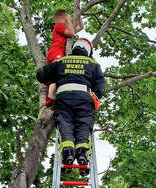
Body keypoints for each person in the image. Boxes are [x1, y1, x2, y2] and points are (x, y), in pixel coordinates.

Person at [37, 38, 105, 176]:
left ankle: (67, 152)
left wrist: (53, 78)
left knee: (65, 124)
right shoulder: (93, 64)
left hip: (63, 99)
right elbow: (100, 89)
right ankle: (82, 154)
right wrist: (93, 97)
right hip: (85, 100)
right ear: (88, 50)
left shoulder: (61, 61)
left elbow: (40, 74)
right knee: (83, 126)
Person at [46, 9, 84, 107]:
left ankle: (55, 97)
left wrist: (78, 13)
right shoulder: (58, 26)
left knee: (61, 76)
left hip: (60, 53)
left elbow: (80, 27)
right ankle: (49, 98)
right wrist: (69, 20)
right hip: (55, 51)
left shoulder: (65, 29)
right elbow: (71, 33)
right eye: (65, 18)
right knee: (58, 74)